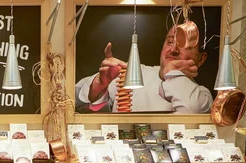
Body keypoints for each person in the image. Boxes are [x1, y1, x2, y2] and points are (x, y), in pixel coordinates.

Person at [75, 27, 213, 113]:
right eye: (170, 42)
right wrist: (99, 84)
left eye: (185, 45)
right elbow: (73, 103)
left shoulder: (202, 96)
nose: (173, 50)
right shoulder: (132, 74)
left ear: (201, 59)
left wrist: (172, 73)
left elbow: (189, 112)